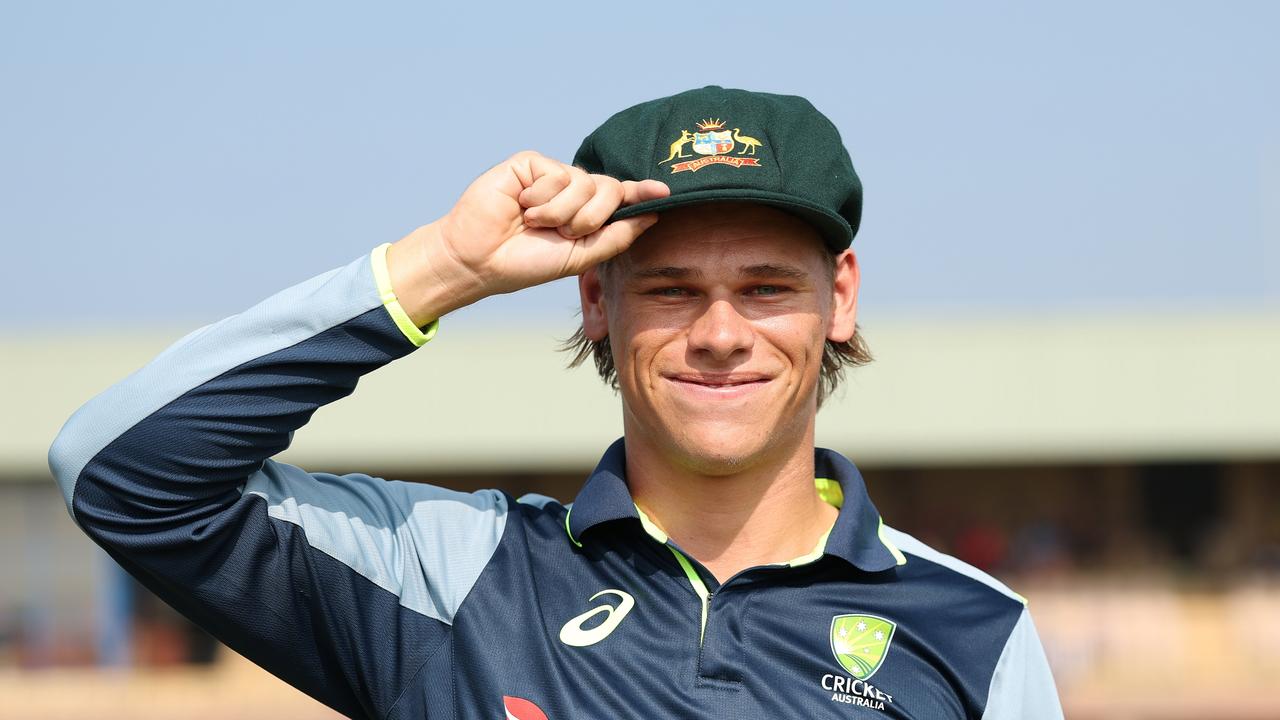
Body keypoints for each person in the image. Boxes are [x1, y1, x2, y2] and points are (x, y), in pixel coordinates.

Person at [49, 86, 1063, 719]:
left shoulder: (974, 630)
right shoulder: (447, 577)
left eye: (765, 287)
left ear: (836, 298)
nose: (718, 332)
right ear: (594, 301)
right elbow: (121, 475)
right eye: (667, 289)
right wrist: (444, 265)